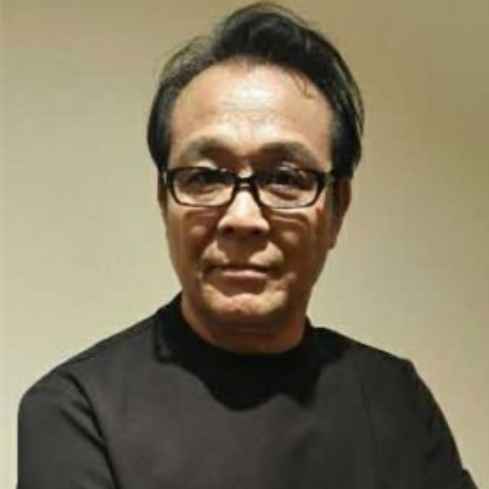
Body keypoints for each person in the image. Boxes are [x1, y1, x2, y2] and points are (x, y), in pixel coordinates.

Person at [17, 3, 478, 488]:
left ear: (337, 208)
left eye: (284, 178)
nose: (242, 218)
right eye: (205, 177)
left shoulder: (395, 399)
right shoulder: (79, 410)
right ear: (163, 200)